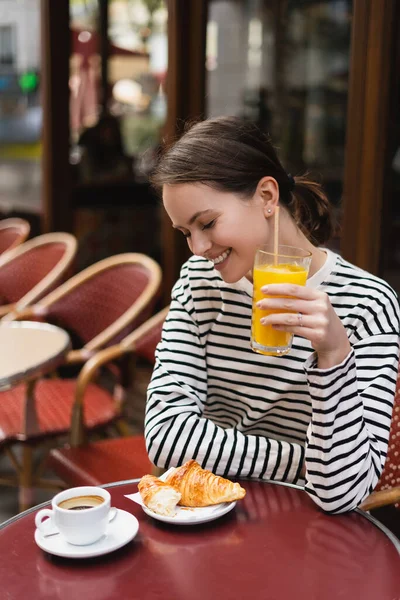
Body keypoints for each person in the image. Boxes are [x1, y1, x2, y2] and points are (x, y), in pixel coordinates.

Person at [144, 116, 400, 514]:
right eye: (185, 232)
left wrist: (334, 356)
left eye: (207, 223)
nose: (197, 248)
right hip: (209, 514)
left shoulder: (368, 305)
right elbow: (165, 436)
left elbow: (341, 493)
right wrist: (304, 461)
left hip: (308, 527)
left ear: (266, 196)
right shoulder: (200, 283)